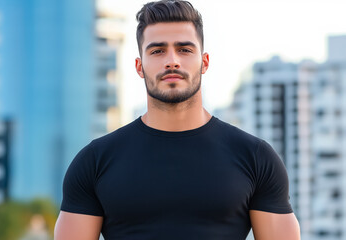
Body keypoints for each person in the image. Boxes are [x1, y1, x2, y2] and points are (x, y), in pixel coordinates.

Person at [54, 0, 300, 239]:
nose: (172, 60)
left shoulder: (256, 158)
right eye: (158, 51)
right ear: (139, 67)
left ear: (204, 62)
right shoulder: (94, 162)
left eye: (184, 49)